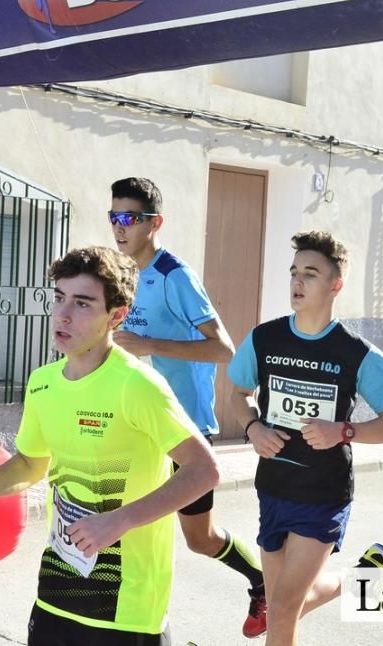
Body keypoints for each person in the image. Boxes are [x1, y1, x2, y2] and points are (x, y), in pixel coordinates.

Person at [0, 246, 219, 646]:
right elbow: (30, 465)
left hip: (126, 609)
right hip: (56, 595)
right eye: (59, 298)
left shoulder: (137, 386)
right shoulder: (43, 382)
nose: (63, 315)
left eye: (83, 303)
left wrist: (118, 521)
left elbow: (204, 470)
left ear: (116, 316)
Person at [227, 231, 383, 646]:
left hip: (322, 494)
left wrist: (344, 431)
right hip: (273, 487)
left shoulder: (355, 352)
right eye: (294, 272)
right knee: (282, 604)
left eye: (311, 273)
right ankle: (359, 579)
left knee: (285, 606)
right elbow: (239, 395)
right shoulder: (265, 339)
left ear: (335, 285)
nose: (298, 281)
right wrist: (254, 428)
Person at [108, 177, 268, 637]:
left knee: (200, 539)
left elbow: (223, 349)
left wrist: (148, 343)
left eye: (130, 219)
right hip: (141, 423)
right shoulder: (124, 273)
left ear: (154, 224)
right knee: (135, 529)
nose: (120, 228)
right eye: (114, 217)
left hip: (186, 428)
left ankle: (262, 581)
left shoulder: (174, 275)